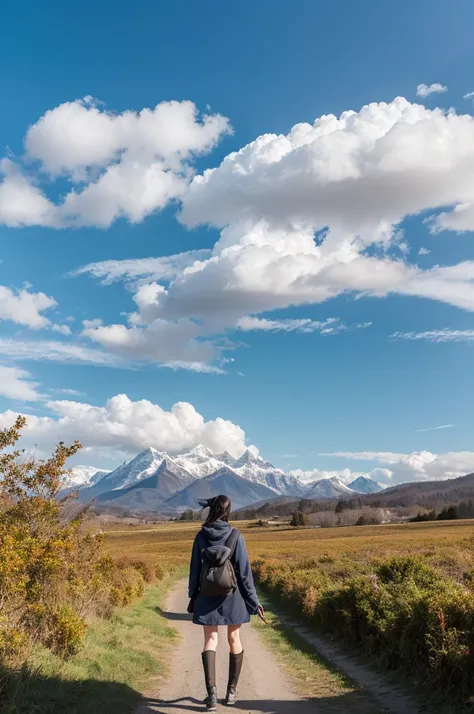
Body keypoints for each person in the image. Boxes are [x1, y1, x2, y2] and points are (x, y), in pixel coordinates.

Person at [188, 494, 265, 711]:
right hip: (233, 597)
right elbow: (244, 574)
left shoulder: (201, 536)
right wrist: (254, 601)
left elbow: (194, 570)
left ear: (212, 510)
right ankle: (231, 693)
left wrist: (193, 596)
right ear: (228, 511)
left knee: (210, 640)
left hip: (206, 596)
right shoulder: (235, 536)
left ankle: (211, 695)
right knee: (234, 638)